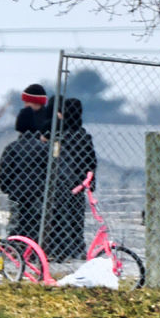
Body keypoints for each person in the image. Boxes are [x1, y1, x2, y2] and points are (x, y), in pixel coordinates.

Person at [44, 97, 97, 260]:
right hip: (79, 183)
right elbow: (91, 161)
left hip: (60, 183)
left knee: (58, 217)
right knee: (76, 218)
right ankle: (77, 247)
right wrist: (90, 183)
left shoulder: (59, 137)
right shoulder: (84, 136)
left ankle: (58, 249)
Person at [0, 111, 49, 247]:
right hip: (38, 194)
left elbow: (4, 172)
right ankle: (33, 249)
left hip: (17, 194)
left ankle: (14, 248)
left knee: (16, 223)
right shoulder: (44, 148)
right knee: (35, 224)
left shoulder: (12, 148)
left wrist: (7, 189)